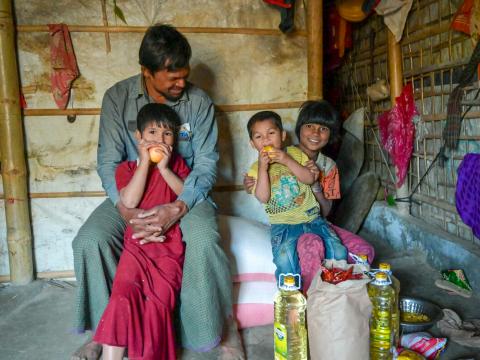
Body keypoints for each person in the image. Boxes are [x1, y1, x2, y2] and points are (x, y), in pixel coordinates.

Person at [71, 24, 241, 360]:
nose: (181, 84)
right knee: (90, 240)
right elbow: (108, 163)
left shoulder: (199, 102)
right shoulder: (117, 99)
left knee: (205, 240)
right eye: (171, 78)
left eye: (184, 75)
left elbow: (206, 165)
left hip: (184, 193)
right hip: (132, 192)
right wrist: (126, 210)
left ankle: (221, 330)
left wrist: (177, 208)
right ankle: (103, 332)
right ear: (146, 72)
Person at [93, 103, 189, 360]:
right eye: (153, 133)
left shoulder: (177, 166)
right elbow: (131, 202)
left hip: (168, 247)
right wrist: (145, 163)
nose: (160, 139)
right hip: (135, 246)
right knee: (122, 295)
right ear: (138, 137)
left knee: (157, 305)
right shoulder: (126, 169)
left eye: (167, 134)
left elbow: (186, 196)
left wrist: (164, 168)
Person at [246, 111, 348, 284]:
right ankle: (292, 299)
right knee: (284, 259)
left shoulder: (296, 154)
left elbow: (309, 179)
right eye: (259, 137)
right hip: (283, 224)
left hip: (312, 217)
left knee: (338, 251)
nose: (266, 140)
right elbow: (263, 197)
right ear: (252, 144)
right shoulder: (255, 168)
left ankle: (335, 288)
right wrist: (263, 168)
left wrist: (286, 159)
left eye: (271, 133)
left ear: (283, 135)